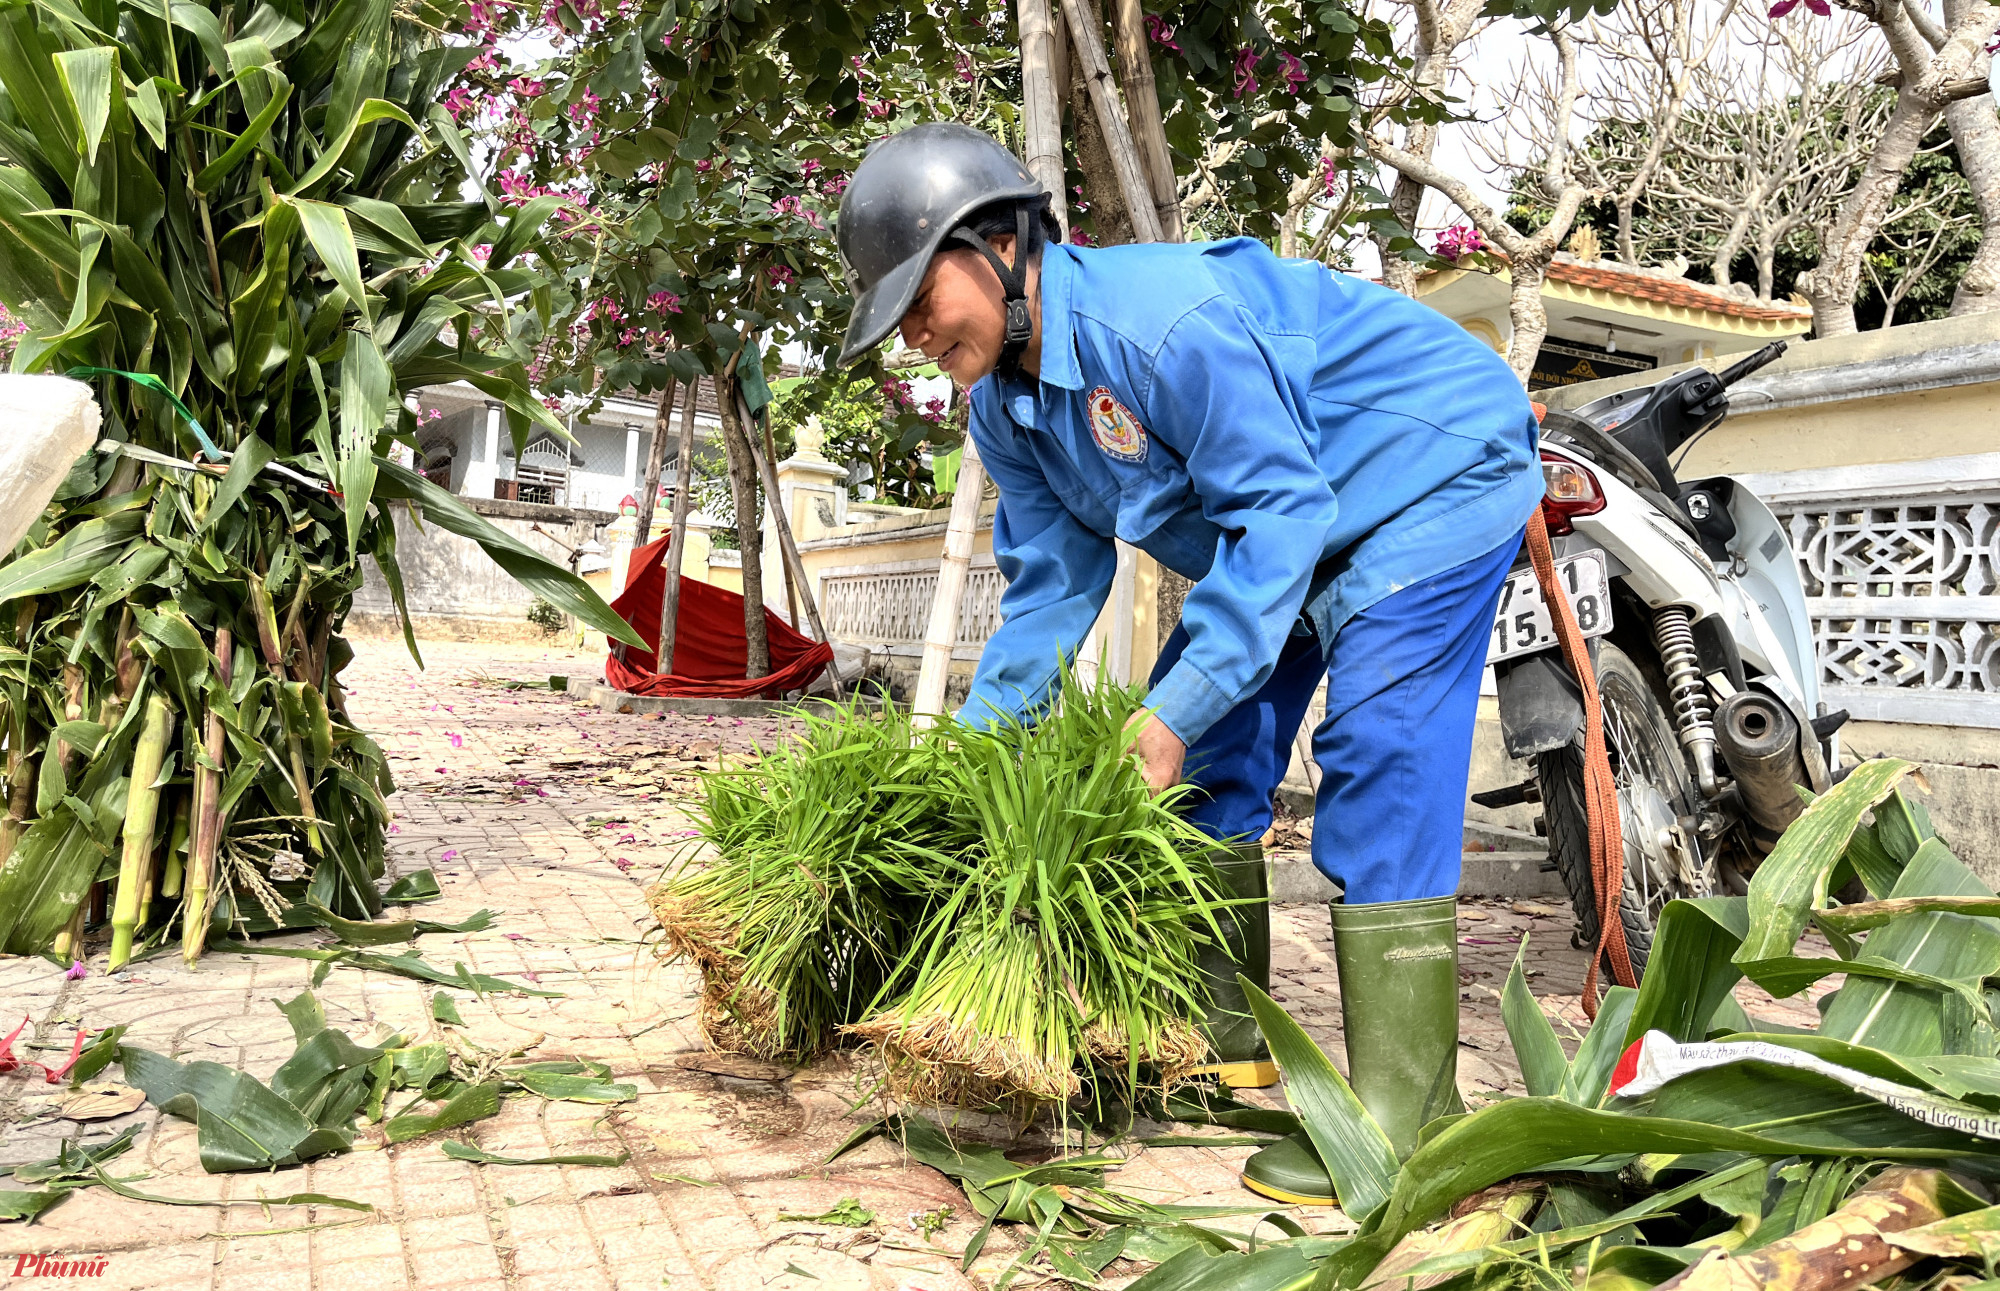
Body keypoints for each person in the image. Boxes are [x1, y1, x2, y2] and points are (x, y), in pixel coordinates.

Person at [834, 122, 1543, 1204]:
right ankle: (1220, 1042)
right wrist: (960, 769)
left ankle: (1409, 1120)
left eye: (919, 300)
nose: (914, 336)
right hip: (1293, 531)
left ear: (995, 245)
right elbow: (1050, 591)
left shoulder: (1162, 328)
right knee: (1205, 755)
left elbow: (1278, 514)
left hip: (1427, 471)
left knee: (1375, 742)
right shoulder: (1006, 410)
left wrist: (1160, 718)